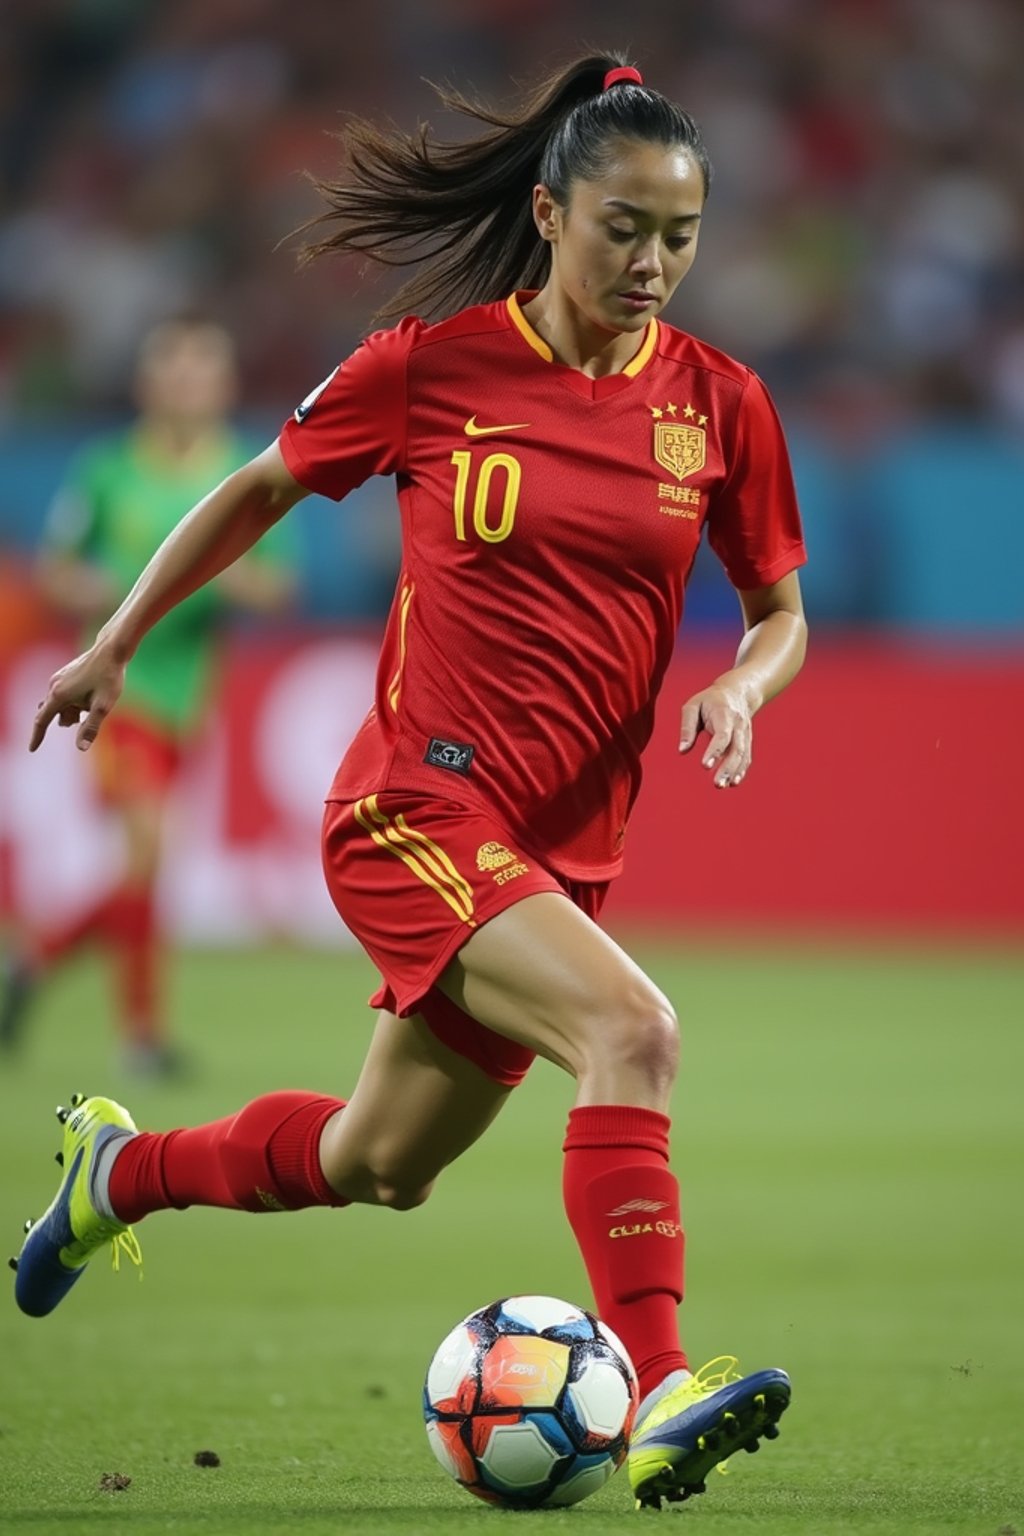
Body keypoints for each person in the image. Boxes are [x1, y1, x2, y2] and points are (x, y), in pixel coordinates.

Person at [11, 55, 808, 1510]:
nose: (653, 263)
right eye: (624, 228)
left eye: (681, 236)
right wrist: (119, 639)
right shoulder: (433, 367)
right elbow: (257, 486)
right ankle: (662, 1381)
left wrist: (746, 684)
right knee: (635, 1030)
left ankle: (115, 1180)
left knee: (376, 1162)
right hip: (411, 811)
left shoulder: (720, 406)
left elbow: (779, 607)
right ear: (551, 210)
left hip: (566, 850)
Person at [0, 316, 297, 1076]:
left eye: (202, 367)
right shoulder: (106, 471)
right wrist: (95, 586)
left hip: (187, 698)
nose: (186, 381)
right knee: (147, 849)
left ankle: (37, 961)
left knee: (144, 869)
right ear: (147, 381)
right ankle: (140, 1038)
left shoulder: (247, 472)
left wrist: (222, 578)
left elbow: (280, 587)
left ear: (225, 384)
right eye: (173, 366)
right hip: (116, 695)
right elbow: (57, 570)